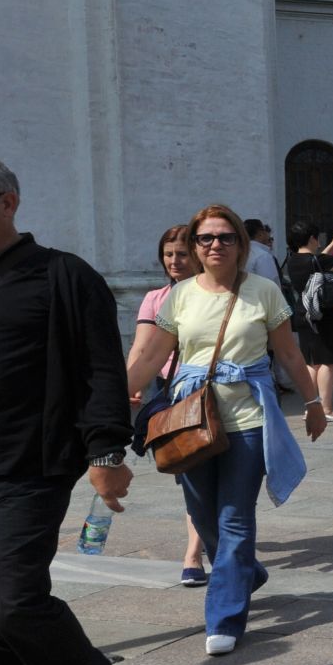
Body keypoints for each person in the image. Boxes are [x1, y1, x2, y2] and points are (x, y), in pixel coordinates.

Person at [0, 154, 130, 665]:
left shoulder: (61, 276)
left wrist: (105, 451)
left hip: (29, 469)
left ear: (7, 202)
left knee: (9, 600)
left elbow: (102, 368)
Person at [127, 204, 327, 656]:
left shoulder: (264, 291)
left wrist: (313, 402)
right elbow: (150, 356)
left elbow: (291, 355)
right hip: (191, 418)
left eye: (225, 237)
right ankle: (246, 573)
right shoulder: (180, 296)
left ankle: (225, 618)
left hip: (248, 420)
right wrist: (118, 395)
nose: (215, 245)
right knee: (201, 516)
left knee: (235, 517)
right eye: (205, 239)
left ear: (241, 243)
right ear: (196, 246)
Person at [128, 224, 212, 587]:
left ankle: (217, 538)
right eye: (168, 254)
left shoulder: (217, 294)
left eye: (181, 254)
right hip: (173, 392)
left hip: (214, 390)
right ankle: (194, 552)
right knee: (189, 470)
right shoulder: (156, 297)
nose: (174, 261)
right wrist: (130, 383)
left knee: (221, 468)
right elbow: (143, 347)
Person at [285, 222, 333, 422]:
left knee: (311, 362)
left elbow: (319, 260)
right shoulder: (314, 260)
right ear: (312, 238)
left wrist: (332, 244)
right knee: (328, 362)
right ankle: (326, 409)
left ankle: (311, 407)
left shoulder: (294, 260)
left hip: (304, 312)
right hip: (324, 314)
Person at [243, 219, 281, 285]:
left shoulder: (240, 252)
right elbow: (271, 285)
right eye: (264, 231)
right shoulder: (263, 256)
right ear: (260, 234)